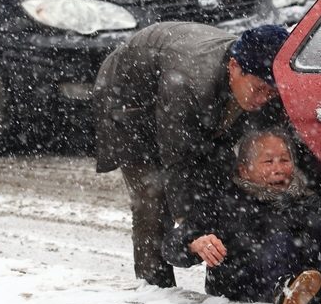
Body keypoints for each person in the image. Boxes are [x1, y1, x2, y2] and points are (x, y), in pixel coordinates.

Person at [93, 22, 289, 289]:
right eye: (257, 89)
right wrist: (190, 231)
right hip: (130, 101)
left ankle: (225, 280)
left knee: (222, 183)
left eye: (271, 91)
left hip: (187, 99)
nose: (262, 99)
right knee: (152, 196)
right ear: (234, 68)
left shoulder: (248, 79)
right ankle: (155, 288)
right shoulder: (190, 82)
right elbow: (178, 159)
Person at [163, 129, 321, 304]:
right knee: (280, 239)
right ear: (244, 170)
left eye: (285, 160)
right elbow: (171, 246)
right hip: (243, 299)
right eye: (268, 161)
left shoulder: (309, 200)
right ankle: (285, 292)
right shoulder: (223, 204)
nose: (278, 168)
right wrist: (195, 245)